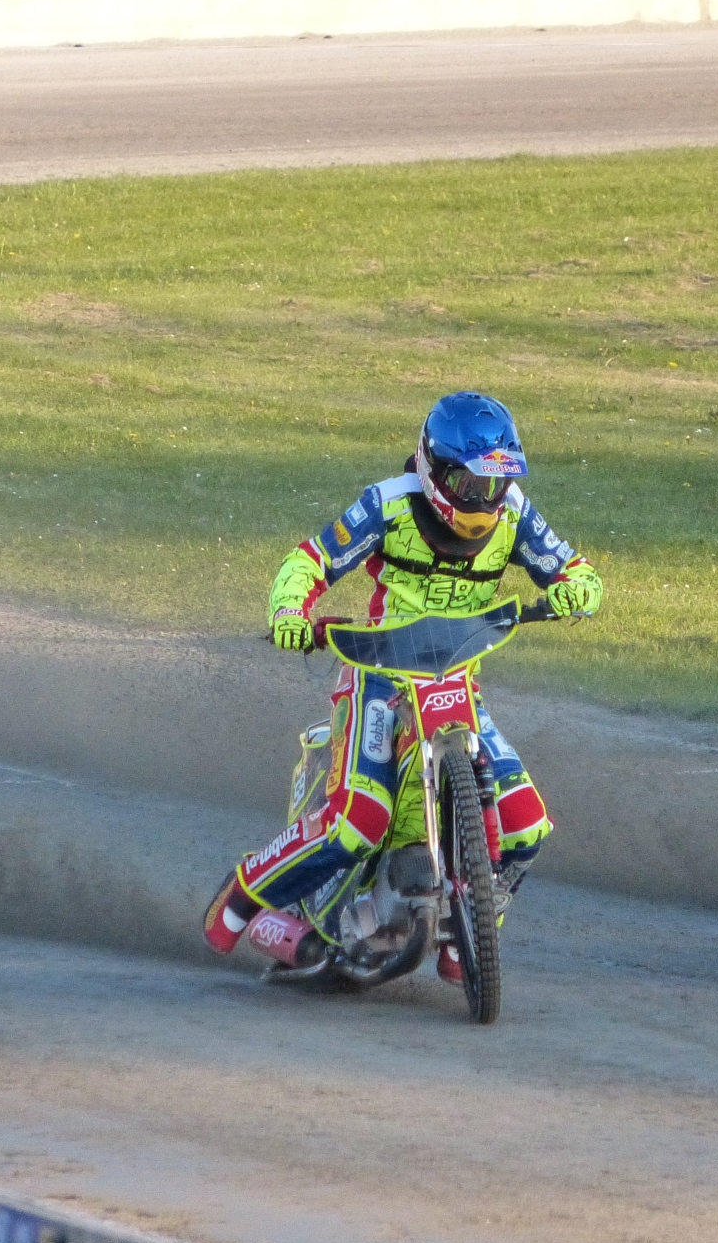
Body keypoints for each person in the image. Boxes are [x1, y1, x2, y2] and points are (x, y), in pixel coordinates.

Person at [201, 392, 605, 979]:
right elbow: (309, 562)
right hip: (377, 677)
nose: (485, 499)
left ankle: (473, 928)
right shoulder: (387, 504)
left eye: (496, 483)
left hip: (457, 683)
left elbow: (575, 568)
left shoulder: (515, 511)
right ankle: (242, 894)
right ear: (436, 470)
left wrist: (578, 590)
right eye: (470, 484)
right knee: (358, 821)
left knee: (525, 826)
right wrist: (289, 612)